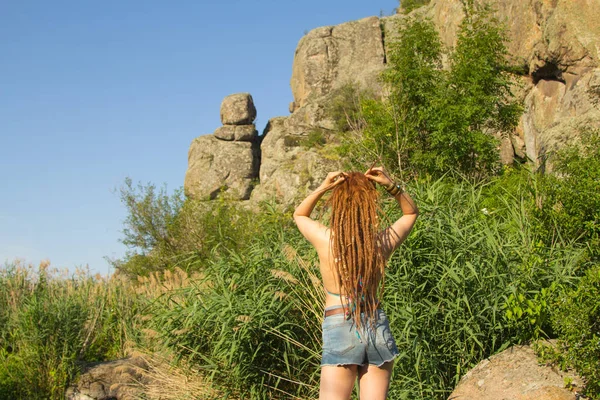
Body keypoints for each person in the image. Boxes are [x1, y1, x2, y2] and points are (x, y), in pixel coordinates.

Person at [293, 167, 418, 400]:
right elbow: (410, 213)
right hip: (375, 323)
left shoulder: (325, 239)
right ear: (370, 207)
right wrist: (390, 185)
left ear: (338, 206)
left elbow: (299, 215)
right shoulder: (380, 244)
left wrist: (324, 186)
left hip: (341, 325)